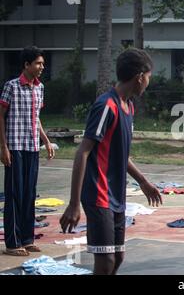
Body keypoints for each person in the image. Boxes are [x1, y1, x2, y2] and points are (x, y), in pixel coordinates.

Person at [59, 48, 162, 274]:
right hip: (98, 194)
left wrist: (143, 181)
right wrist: (74, 203)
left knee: (117, 257)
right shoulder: (106, 106)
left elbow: (121, 155)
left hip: (116, 194)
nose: (148, 82)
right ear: (139, 76)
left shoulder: (129, 107)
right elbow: (82, 152)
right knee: (105, 260)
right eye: (148, 77)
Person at [0, 46, 55, 256]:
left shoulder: (39, 88)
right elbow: (0, 115)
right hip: (14, 147)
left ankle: (27, 238)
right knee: (14, 194)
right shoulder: (11, 87)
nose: (42, 67)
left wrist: (46, 141)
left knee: (29, 194)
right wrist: (3, 146)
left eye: (42, 63)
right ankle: (13, 243)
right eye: (38, 63)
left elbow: (36, 118)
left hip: (32, 147)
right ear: (26, 65)